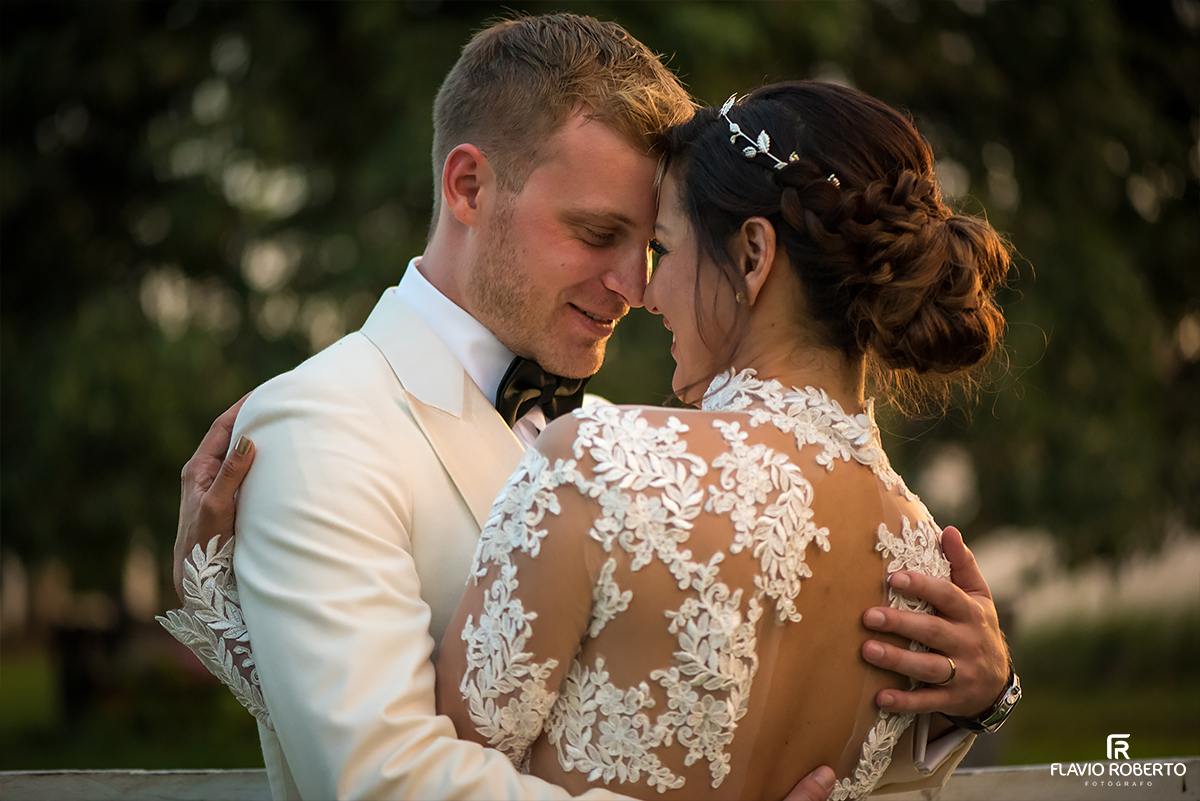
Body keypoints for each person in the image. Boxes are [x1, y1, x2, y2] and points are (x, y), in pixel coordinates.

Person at [163, 14, 1014, 801]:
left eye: (652, 245)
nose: (636, 286)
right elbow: (378, 775)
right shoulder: (321, 426)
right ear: (467, 186)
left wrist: (970, 698)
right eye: (598, 233)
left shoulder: (625, 451)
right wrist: (241, 633)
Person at [434, 80, 1016, 800]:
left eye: (665, 248)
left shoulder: (597, 464)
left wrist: (255, 588)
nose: (647, 292)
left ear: (751, 256)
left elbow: (425, 774)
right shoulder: (926, 568)